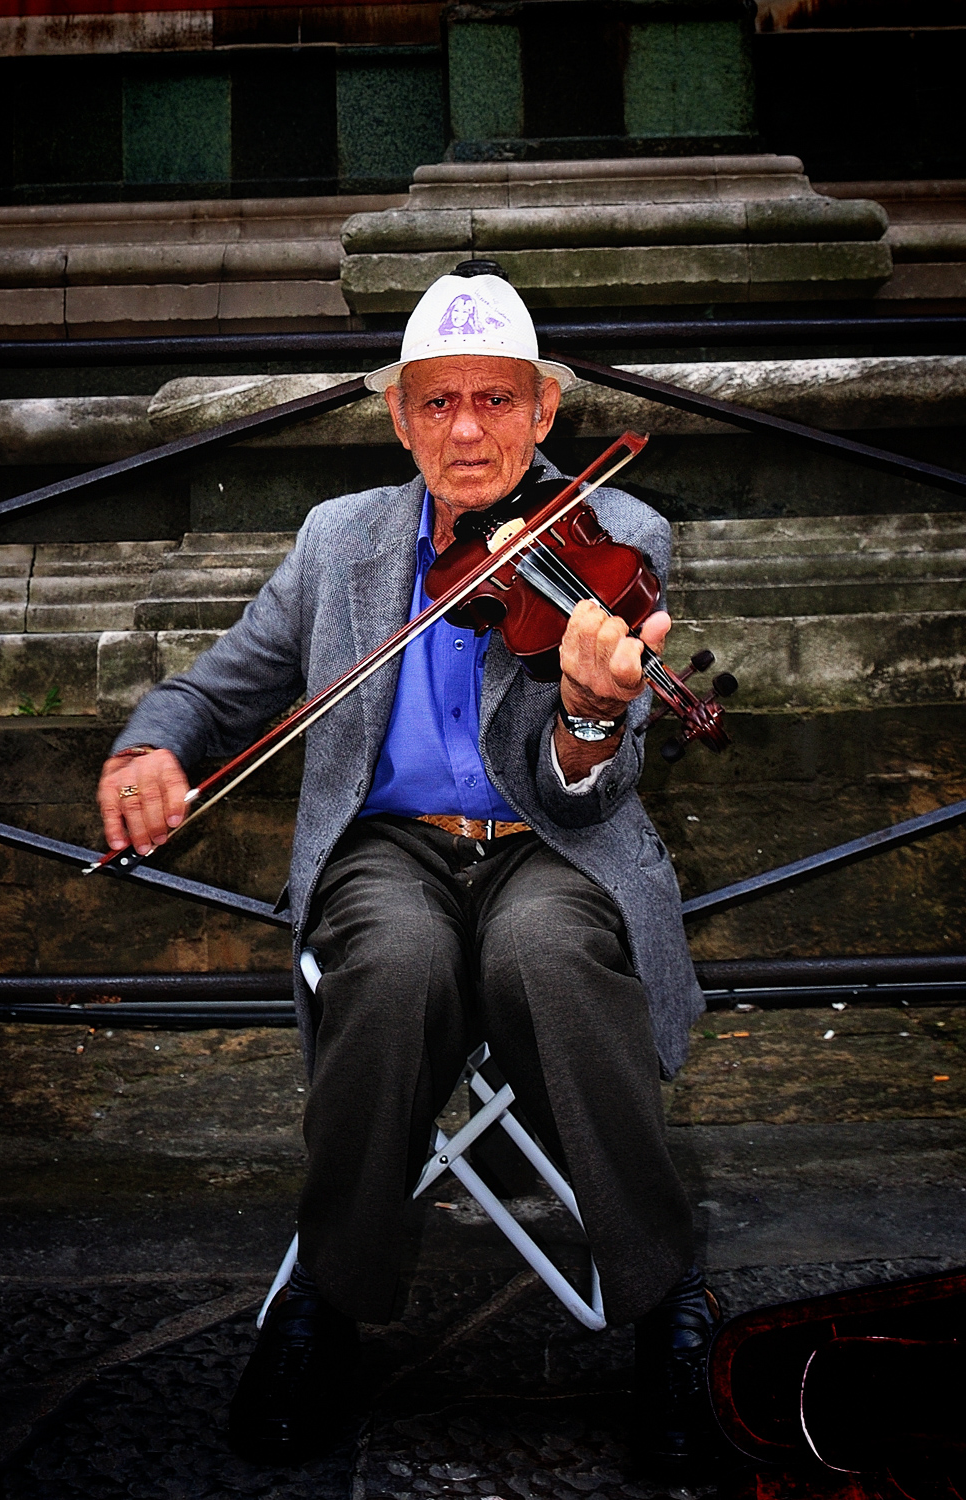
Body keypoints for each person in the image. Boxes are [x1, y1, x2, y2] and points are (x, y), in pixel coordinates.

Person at [97, 262, 718, 1474]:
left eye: (496, 402)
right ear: (399, 417)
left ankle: (664, 1306)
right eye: (438, 403)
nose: (468, 431)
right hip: (390, 851)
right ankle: (331, 1302)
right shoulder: (342, 539)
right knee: (387, 962)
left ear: (546, 414)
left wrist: (591, 714)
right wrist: (153, 742)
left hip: (555, 839)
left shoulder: (615, 537)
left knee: (548, 948)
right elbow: (226, 682)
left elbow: (591, 778)